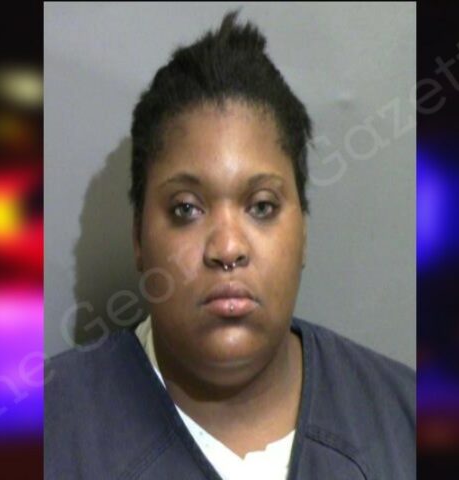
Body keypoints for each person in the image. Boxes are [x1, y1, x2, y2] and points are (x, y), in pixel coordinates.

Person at [45, 10, 415, 480]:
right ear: (138, 237)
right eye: (186, 208)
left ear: (303, 230)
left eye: (261, 206)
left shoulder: (404, 420)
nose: (227, 248)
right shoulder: (48, 434)